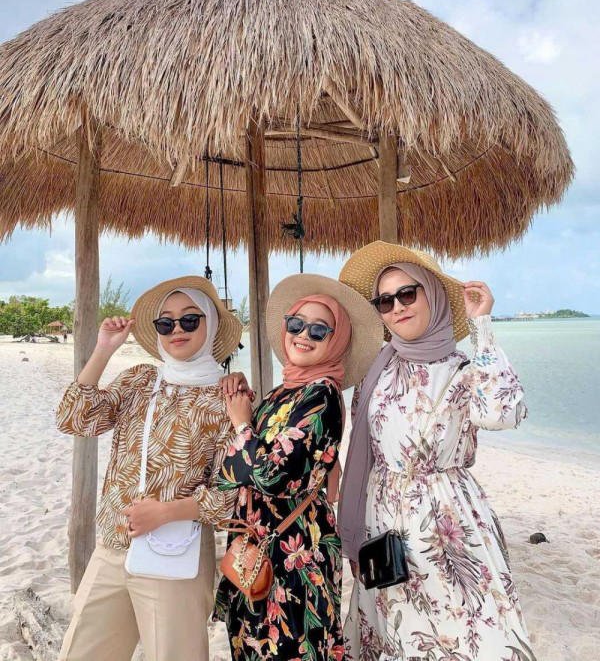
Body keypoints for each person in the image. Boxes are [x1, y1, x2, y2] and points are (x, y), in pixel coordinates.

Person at [338, 242, 536, 661]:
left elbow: (503, 412)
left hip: (449, 524)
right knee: (397, 636)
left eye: (407, 294)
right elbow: (363, 448)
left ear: (433, 295)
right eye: (385, 301)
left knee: (469, 637)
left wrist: (482, 326)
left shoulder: (463, 370)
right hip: (383, 525)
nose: (397, 307)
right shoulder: (376, 369)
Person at [56, 276, 245, 661]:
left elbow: (233, 495)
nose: (177, 330)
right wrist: (103, 350)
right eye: (165, 322)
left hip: (177, 553)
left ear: (210, 324)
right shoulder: (140, 379)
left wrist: (167, 512)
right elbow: (74, 419)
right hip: (113, 545)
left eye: (189, 319)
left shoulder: (227, 398)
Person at [214, 274, 383, 661]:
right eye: (296, 324)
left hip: (295, 552)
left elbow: (271, 476)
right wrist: (244, 405)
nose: (304, 335)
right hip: (257, 544)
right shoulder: (282, 392)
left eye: (319, 330)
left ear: (336, 341)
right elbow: (235, 467)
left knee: (291, 647)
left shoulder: (322, 394)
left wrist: (243, 425)